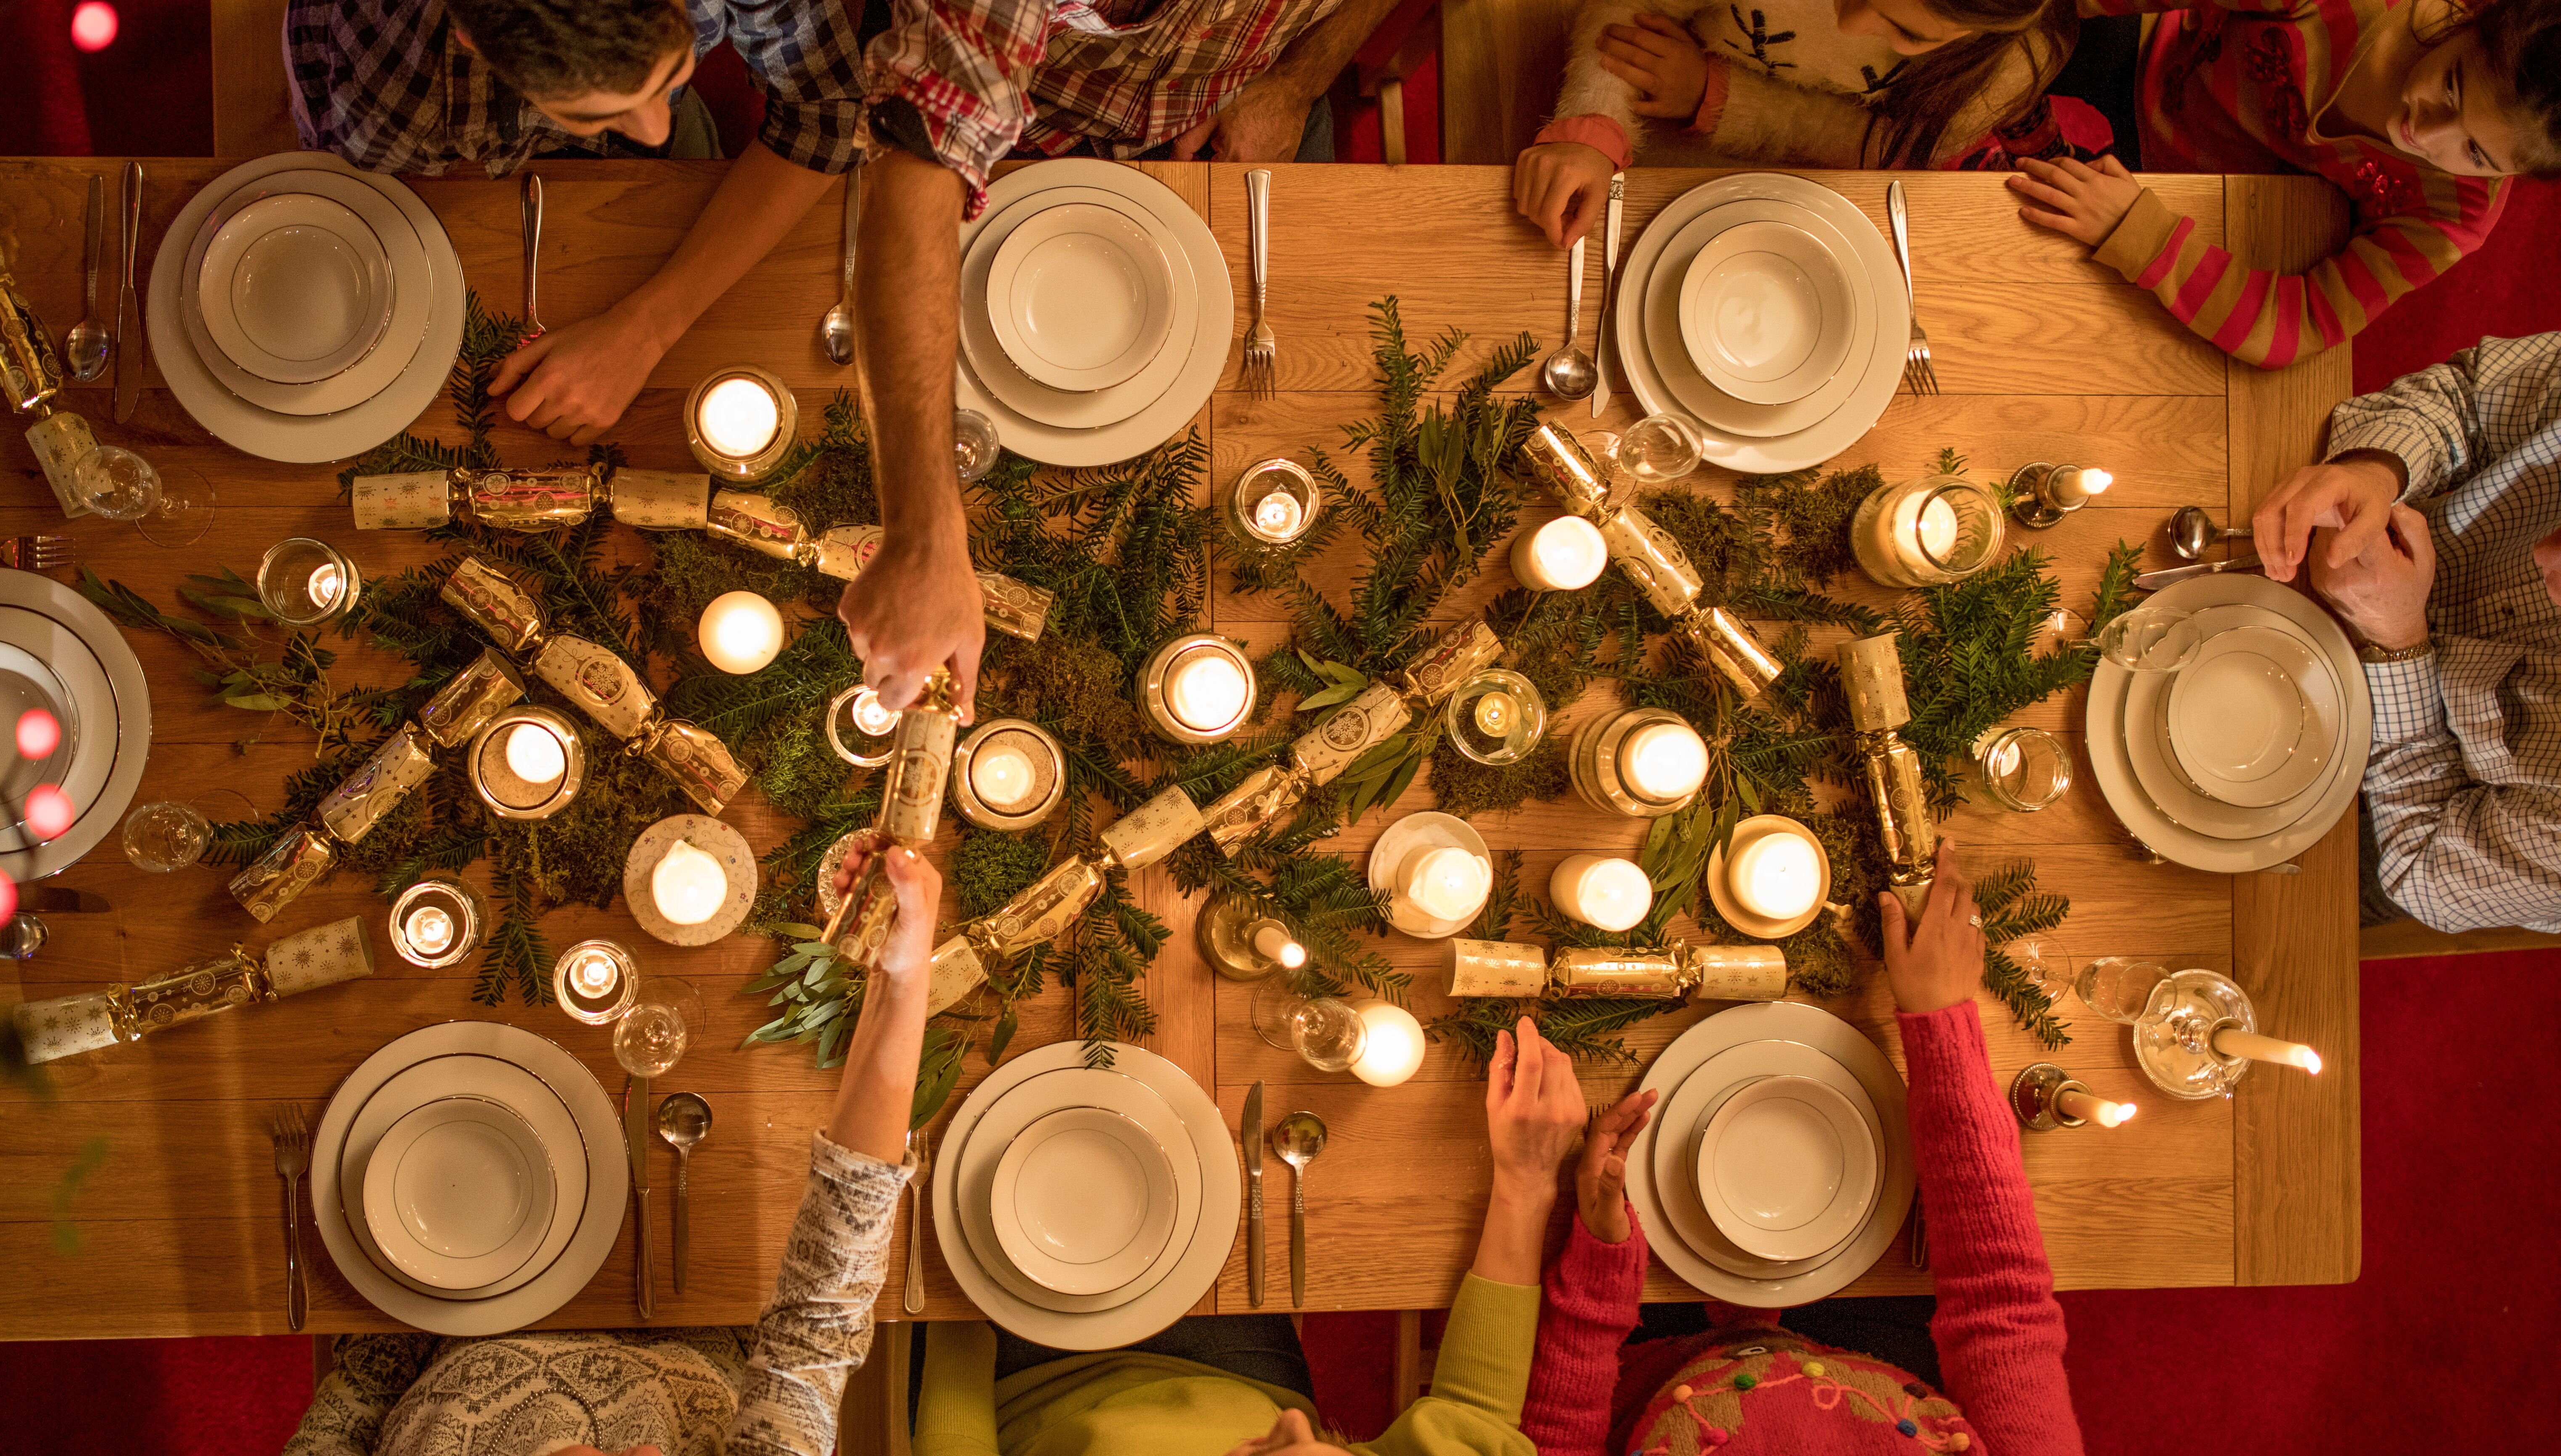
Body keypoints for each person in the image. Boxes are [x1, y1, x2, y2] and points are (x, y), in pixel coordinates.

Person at [844, 0, 1422, 722]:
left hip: (1234, 104)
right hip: (1020, 129)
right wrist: (925, 540)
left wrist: (1299, 79)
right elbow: (920, 169)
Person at [279, 845, 942, 1456]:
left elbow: (355, 1404)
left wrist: (402, 1301)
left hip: (447, 1310)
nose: (652, 1452)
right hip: (701, 1314)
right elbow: (821, 1312)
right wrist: (903, 974)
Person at [1520, 841, 2085, 1454]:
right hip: (1870, 1346)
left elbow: (1557, 1435)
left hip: (1645, 1360)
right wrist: (1942, 1020)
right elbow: (2002, 1304)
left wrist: (1598, 1267)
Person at [911, 1016, 1588, 1455]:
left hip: (1026, 1371)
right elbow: (1474, 1421)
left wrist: (962, 1277)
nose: (1301, 1424)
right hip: (1234, 1360)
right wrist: (1527, 1184)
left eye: (1266, 1453)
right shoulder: (1283, 1418)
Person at [286, 0, 870, 447]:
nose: (656, 132)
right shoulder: (390, 98)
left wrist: (646, 331)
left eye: (669, 74)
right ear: (475, 45)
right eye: (603, 112)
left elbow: (826, 118)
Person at [2006, 0, 2559, 368]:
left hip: (2196, 189)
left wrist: (2142, 235)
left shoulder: (2456, 213)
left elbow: (2297, 327)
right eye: (2453, 86)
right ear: (2468, 20)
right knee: (2004, 42)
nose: (2426, 133)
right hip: (2152, 47)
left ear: (2514, 176)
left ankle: (2036, 138)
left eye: (2476, 154)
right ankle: (2026, 125)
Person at [2246, 333, 2561, 931]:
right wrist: (2376, 469)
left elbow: (2420, 867)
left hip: (2367, 817)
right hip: (2308, 545)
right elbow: (2469, 395)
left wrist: (2395, 641)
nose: (2545, 553)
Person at [1514, 0, 2090, 248]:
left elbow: (1889, 147)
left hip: (1826, 174)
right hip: (1658, 110)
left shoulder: (2017, 60)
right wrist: (1593, 121)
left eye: (1909, 35)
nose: (1848, 22)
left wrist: (1717, 96)